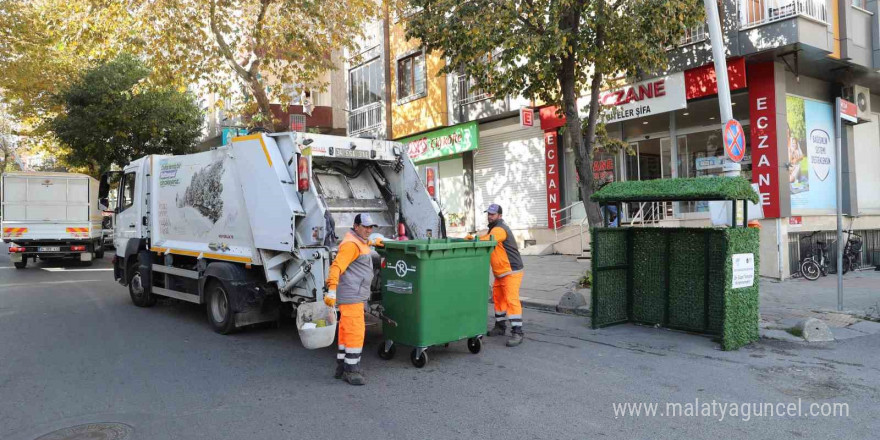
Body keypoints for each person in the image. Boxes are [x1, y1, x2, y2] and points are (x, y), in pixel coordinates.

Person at [324, 213, 382, 385]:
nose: (368, 230)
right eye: (365, 227)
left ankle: (342, 367)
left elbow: (362, 246)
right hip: (352, 296)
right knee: (355, 332)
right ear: (356, 226)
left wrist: (373, 242)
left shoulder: (358, 241)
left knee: (345, 330)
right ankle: (352, 370)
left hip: (354, 294)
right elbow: (336, 267)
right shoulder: (351, 244)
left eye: (371, 227)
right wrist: (332, 290)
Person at [466, 204, 525, 347]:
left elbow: (488, 239)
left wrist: (473, 239)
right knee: (498, 300)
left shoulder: (500, 229)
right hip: (501, 273)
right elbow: (486, 236)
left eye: (493, 214)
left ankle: (517, 332)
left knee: (511, 300)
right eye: (488, 213)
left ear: (500, 215)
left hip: (511, 271)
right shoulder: (493, 228)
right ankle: (500, 326)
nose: (490, 216)